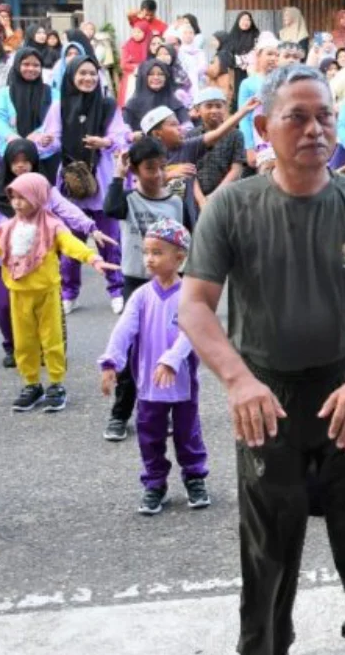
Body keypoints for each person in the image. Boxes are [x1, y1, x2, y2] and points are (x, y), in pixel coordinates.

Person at [179, 64, 345, 655]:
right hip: (267, 396)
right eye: (298, 117)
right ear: (264, 127)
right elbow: (194, 306)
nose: (315, 129)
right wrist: (237, 381)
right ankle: (264, 644)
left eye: (325, 117)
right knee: (268, 541)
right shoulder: (232, 207)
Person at [0, 172, 116, 414]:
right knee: (23, 343)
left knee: (52, 340)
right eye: (13, 197)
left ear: (38, 198)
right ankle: (32, 384)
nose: (17, 203)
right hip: (18, 293)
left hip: (47, 293)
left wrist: (92, 258)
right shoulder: (6, 229)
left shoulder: (52, 226)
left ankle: (56, 384)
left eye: (23, 198)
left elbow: (71, 244)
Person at [98, 218, 210, 514]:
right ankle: (155, 484)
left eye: (157, 252)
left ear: (180, 257)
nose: (149, 258)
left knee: (188, 434)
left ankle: (195, 477)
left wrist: (172, 361)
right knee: (150, 436)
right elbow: (124, 329)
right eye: (146, 251)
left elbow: (192, 332)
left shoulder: (189, 294)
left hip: (182, 382)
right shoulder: (141, 296)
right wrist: (111, 361)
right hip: (148, 383)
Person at [100, 135, 195, 440]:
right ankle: (120, 414)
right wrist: (118, 174)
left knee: (168, 348)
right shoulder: (127, 199)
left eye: (162, 167)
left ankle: (161, 410)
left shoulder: (176, 202)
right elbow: (110, 208)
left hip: (171, 285)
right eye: (149, 168)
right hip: (137, 283)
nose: (157, 174)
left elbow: (189, 239)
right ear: (135, 170)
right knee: (132, 348)